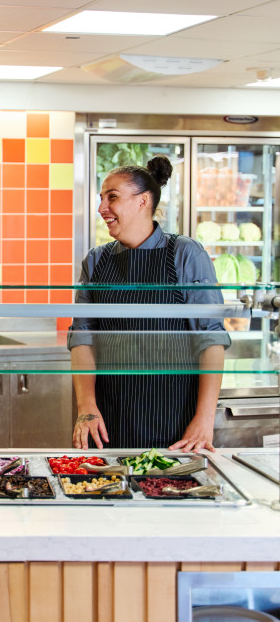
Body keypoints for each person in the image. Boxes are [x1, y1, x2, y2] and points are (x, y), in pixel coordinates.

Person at [68, 155, 230, 453]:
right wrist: (87, 407)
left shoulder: (185, 254)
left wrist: (204, 419)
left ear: (142, 202)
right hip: (107, 421)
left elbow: (210, 339)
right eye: (102, 198)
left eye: (112, 198)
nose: (102, 208)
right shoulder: (96, 259)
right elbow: (83, 337)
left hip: (174, 423)